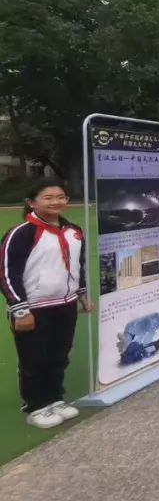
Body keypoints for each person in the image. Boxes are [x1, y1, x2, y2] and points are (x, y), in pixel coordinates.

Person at [1, 179, 92, 429]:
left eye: (60, 197)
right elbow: (7, 273)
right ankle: (35, 406)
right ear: (31, 202)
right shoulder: (22, 233)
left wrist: (82, 294)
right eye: (48, 198)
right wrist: (20, 309)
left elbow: (78, 265)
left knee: (59, 355)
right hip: (33, 308)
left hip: (65, 304)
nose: (56, 202)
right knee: (34, 358)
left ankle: (55, 399)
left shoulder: (73, 231)